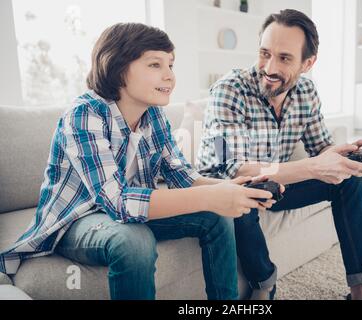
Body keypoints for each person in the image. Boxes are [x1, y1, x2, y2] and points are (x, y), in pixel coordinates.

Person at [0, 22, 277, 300]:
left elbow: (183, 177)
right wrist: (210, 196)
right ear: (117, 67)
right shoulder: (84, 114)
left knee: (217, 215)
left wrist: (234, 189)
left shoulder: (154, 116)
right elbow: (118, 203)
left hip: (130, 210)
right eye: (155, 65)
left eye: (171, 65)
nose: (169, 76)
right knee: (133, 239)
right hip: (77, 219)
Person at [196, 9, 362, 300]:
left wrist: (343, 158)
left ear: (307, 63)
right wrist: (314, 167)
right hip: (228, 189)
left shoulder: (306, 92)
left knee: (348, 180)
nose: (269, 67)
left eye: (284, 58)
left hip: (278, 184)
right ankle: (265, 284)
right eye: (264, 53)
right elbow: (236, 169)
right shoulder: (228, 91)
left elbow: (320, 147)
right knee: (244, 194)